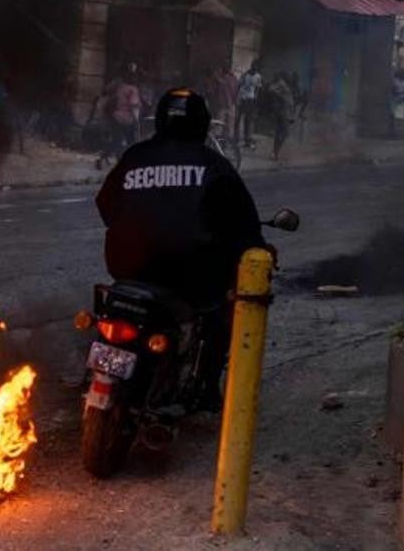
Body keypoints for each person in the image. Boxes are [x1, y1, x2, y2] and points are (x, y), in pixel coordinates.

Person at [96, 88, 265, 410]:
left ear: (159, 119)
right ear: (202, 124)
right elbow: (243, 223)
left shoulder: (135, 156)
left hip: (129, 269)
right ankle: (205, 387)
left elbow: (105, 205)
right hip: (189, 275)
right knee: (220, 314)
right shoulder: (214, 165)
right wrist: (255, 248)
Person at [265, 73, 295, 160]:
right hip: (282, 112)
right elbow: (271, 89)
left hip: (285, 112)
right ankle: (275, 152)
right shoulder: (282, 84)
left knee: (280, 133)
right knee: (284, 133)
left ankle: (275, 153)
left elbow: (290, 101)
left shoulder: (287, 86)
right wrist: (279, 95)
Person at [236, 61, 262, 149]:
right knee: (238, 119)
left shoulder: (258, 76)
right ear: (251, 66)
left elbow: (257, 89)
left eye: (256, 67)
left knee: (248, 120)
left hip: (250, 100)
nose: (255, 68)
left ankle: (247, 140)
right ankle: (236, 139)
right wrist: (237, 97)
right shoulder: (245, 75)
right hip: (242, 98)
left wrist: (255, 100)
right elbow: (239, 85)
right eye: (254, 66)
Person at [390, 68, 404, 138]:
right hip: (396, 99)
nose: (402, 75)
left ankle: (402, 133)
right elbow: (392, 90)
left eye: (403, 73)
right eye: (401, 73)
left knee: (403, 117)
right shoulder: (395, 81)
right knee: (394, 116)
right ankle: (394, 133)